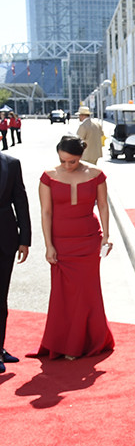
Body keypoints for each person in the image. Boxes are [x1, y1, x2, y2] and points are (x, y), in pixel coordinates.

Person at [31, 135, 114, 360]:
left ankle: (88, 342)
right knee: (63, 294)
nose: (67, 166)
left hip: (89, 240)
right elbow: (46, 212)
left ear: (81, 156)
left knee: (88, 292)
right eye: (63, 161)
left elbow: (103, 206)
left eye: (72, 161)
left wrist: (106, 236)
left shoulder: (96, 175)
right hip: (61, 242)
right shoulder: (48, 177)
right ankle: (64, 344)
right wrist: (48, 245)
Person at [0, 152, 30, 373]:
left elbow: (20, 199)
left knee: (1, 298)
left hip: (5, 239)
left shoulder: (11, 164)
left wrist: (24, 239)